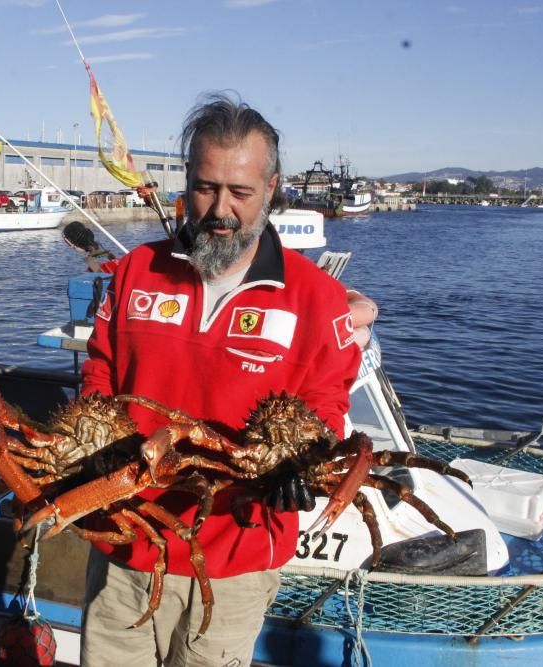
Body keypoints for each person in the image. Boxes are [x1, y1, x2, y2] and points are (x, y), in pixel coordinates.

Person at [78, 92, 362, 667]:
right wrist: (95, 437)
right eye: (206, 188)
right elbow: (101, 368)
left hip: (235, 556)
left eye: (241, 192)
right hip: (124, 539)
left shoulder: (318, 298)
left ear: (273, 188)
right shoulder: (136, 271)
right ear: (186, 182)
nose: (220, 210)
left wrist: (303, 464)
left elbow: (327, 402)